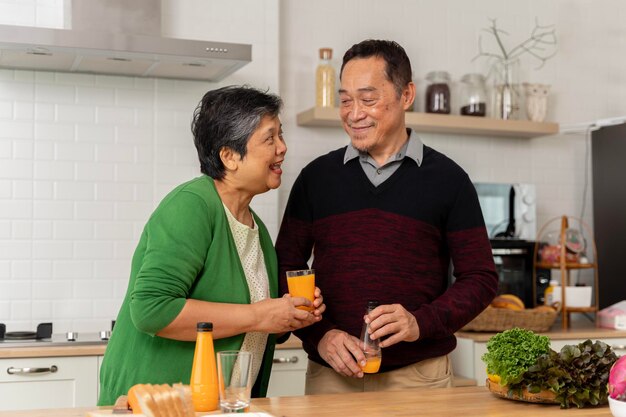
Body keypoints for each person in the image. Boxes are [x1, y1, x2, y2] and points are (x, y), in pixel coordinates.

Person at [276, 39, 498, 394]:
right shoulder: (315, 179)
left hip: (420, 378)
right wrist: (320, 335)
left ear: (406, 95)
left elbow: (481, 277)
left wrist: (419, 322)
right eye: (345, 100)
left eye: (368, 99)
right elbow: (285, 266)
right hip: (332, 375)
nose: (353, 113)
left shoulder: (450, 180)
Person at [98, 85, 325, 405]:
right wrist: (260, 315)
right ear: (229, 156)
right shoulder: (192, 205)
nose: (282, 148)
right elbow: (151, 310)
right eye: (269, 138)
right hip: (158, 405)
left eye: (281, 135)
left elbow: (250, 325)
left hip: (221, 406)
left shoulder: (256, 229)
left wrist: (287, 316)